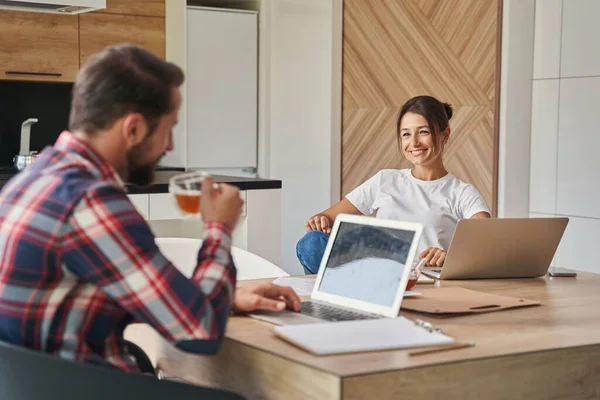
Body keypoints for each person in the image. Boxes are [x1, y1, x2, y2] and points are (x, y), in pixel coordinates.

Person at [0, 44, 300, 374]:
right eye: (169, 128)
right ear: (134, 129)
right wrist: (218, 227)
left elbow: (105, 291)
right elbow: (200, 332)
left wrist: (218, 298)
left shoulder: (28, 182)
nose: (170, 146)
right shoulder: (92, 202)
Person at [296, 95, 491, 274]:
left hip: (424, 280)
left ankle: (349, 298)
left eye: (423, 132)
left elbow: (485, 243)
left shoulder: (462, 192)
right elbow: (325, 219)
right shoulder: (385, 180)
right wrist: (319, 220)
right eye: (406, 134)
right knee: (311, 243)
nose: (413, 142)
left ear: (444, 134)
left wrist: (448, 257)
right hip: (378, 275)